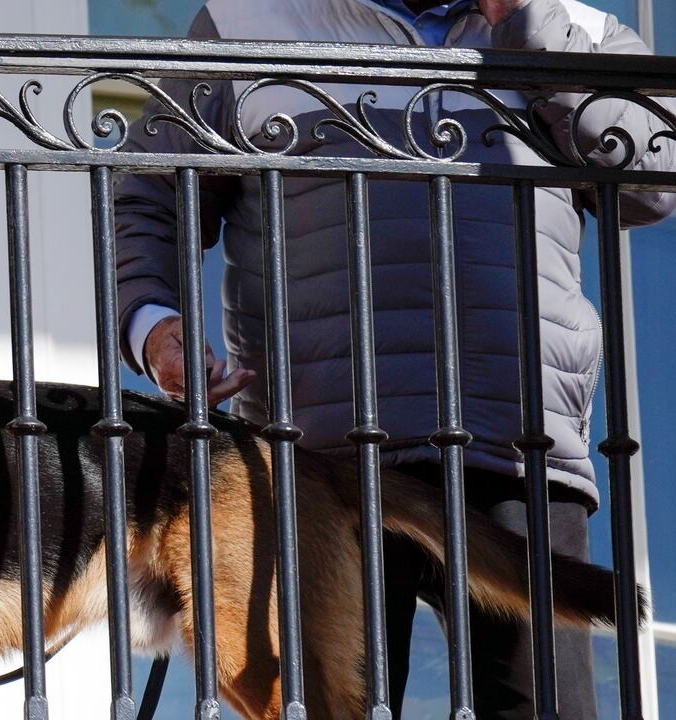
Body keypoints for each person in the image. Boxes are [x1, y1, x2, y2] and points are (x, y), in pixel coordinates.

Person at [114, 0, 676, 717]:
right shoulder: (242, 21)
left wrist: (527, 26)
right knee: (323, 705)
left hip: (517, 445)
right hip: (318, 456)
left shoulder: (576, 30)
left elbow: (653, 182)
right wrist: (157, 328)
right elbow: (148, 192)